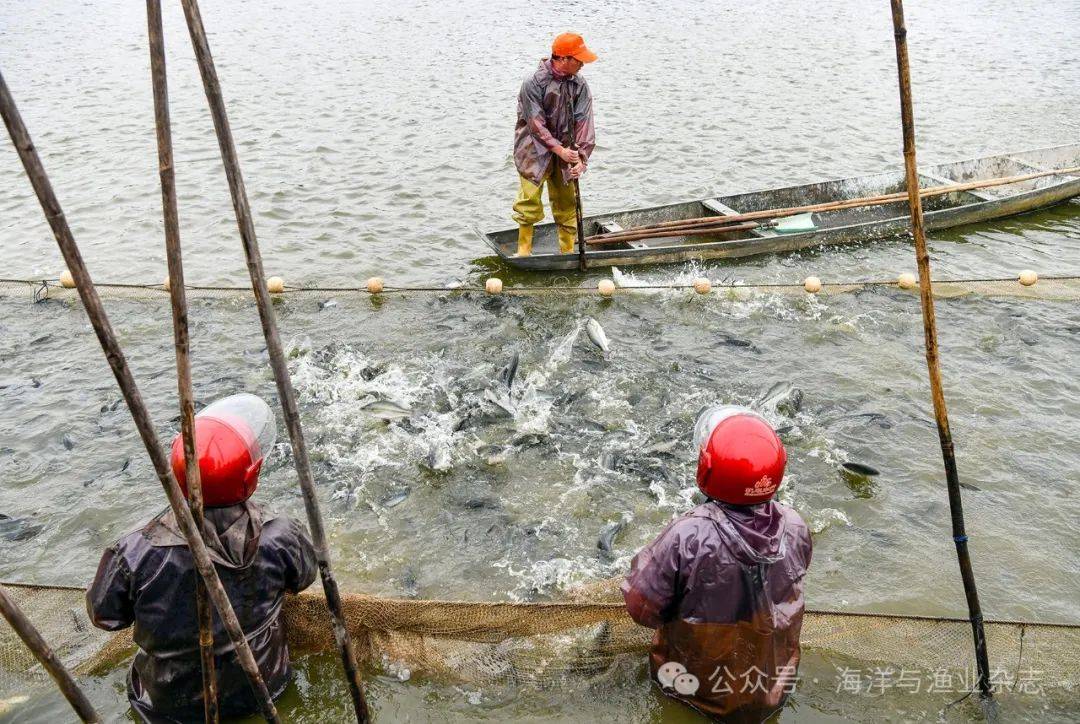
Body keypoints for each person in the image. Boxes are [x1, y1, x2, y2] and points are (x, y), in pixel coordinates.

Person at [87, 394, 317, 723]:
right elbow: (304, 578)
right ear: (251, 476)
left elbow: (104, 616)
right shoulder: (281, 534)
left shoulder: (133, 550)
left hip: (166, 706)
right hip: (262, 690)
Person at [622, 406, 813, 722]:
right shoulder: (795, 525)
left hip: (693, 691)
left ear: (706, 468)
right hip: (771, 690)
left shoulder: (688, 534)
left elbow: (641, 608)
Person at [511, 32, 597, 257]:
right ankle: (524, 253)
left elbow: (585, 122)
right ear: (564, 59)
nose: (582, 64)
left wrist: (581, 158)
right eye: (579, 59)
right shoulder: (532, 82)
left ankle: (567, 254)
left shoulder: (579, 85)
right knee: (528, 202)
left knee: (567, 204)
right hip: (533, 151)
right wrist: (559, 149)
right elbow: (536, 124)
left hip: (567, 152)